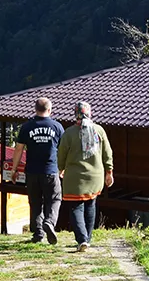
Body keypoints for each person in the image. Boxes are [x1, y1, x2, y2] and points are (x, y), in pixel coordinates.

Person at [58, 101, 113, 252]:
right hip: (95, 176)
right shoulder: (99, 131)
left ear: (75, 114)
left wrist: (60, 169)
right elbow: (108, 153)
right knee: (91, 205)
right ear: (90, 113)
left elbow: (61, 154)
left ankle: (82, 239)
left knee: (76, 208)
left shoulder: (69, 133)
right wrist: (109, 172)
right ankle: (87, 239)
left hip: (75, 178)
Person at [10, 97, 65, 244]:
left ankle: (38, 233)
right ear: (49, 110)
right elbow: (63, 150)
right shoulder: (57, 127)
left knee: (35, 202)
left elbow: (18, 149)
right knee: (54, 198)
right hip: (51, 170)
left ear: (35, 109)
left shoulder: (27, 127)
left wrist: (14, 169)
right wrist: (62, 168)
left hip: (32, 171)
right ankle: (49, 222)